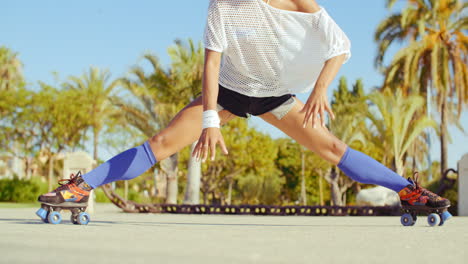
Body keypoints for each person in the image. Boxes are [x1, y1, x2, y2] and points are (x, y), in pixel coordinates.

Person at [38, 0, 449, 212]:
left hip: (276, 92)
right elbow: (211, 62)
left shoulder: (295, 0)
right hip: (230, 88)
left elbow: (340, 45)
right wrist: (212, 120)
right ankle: (80, 188)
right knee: (161, 142)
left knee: (332, 149)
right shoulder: (221, 5)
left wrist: (321, 88)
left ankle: (408, 192)